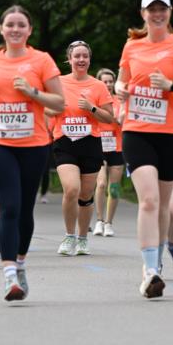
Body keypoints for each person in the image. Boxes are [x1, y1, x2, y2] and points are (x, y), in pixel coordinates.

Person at [116, 0, 173, 298]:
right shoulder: (132, 47)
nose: (157, 14)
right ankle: (150, 270)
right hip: (137, 131)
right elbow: (120, 79)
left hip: (170, 134)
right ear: (143, 13)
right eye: (151, 9)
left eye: (162, 9)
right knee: (150, 201)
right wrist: (121, 89)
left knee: (165, 208)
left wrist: (171, 86)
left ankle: (159, 257)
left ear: (169, 12)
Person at [0, 5, 64, 301]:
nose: (15, 29)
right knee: (9, 207)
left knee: (25, 209)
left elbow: (60, 102)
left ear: (29, 30)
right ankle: (9, 273)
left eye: (20, 25)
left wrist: (32, 93)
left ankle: (21, 262)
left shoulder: (42, 60)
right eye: (9, 24)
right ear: (1, 29)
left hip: (34, 144)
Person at [48, 41, 113, 256]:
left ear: (89, 59)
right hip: (65, 142)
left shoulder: (98, 86)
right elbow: (45, 109)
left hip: (90, 143)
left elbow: (109, 117)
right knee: (71, 189)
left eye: (85, 56)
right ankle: (69, 236)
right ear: (69, 59)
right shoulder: (58, 83)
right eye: (77, 56)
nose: (81, 60)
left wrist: (92, 108)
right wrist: (55, 108)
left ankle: (83, 238)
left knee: (86, 195)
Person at [93, 68, 124, 237]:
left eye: (111, 81)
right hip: (99, 145)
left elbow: (124, 119)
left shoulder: (119, 100)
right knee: (101, 184)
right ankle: (99, 220)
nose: (108, 84)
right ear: (99, 83)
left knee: (114, 188)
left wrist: (121, 119)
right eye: (104, 81)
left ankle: (109, 223)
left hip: (116, 147)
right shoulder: (95, 100)